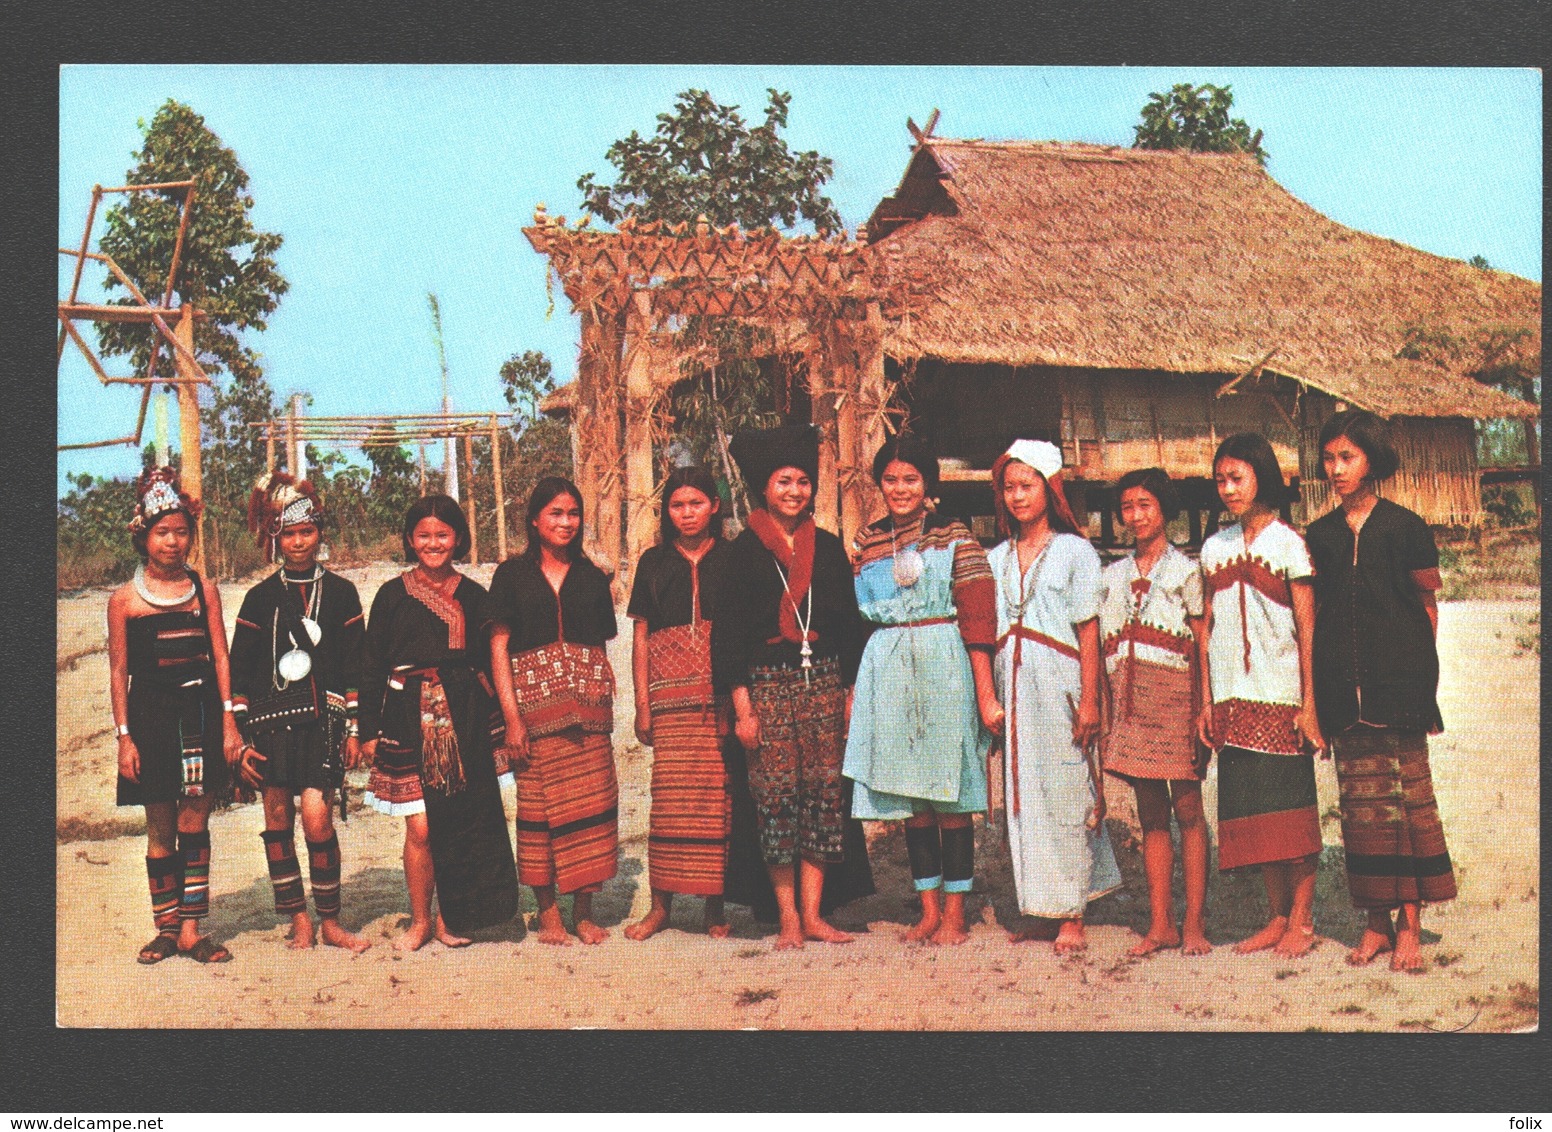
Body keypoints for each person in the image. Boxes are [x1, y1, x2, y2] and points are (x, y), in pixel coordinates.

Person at [711, 424, 872, 950]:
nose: (795, 491)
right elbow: (729, 637)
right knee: (775, 801)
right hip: (767, 691)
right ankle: (786, 919)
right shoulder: (740, 554)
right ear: (764, 486)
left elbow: (848, 627)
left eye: (804, 482)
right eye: (785, 482)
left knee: (822, 799)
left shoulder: (825, 548)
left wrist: (849, 696)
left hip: (823, 684)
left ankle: (815, 913)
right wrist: (743, 709)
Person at [1306, 410, 1456, 972]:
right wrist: (1317, 700)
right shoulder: (1318, 535)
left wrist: (1422, 687)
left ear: (1372, 459)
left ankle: (1410, 926)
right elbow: (1316, 617)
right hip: (1343, 690)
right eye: (1329, 458)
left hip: (1400, 689)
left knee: (1405, 805)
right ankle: (1374, 925)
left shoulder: (1406, 527)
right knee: (1359, 809)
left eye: (1348, 457)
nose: (1337, 469)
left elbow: (1427, 610)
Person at [844, 435, 1001, 945]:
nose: (900, 488)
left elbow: (978, 618)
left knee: (950, 799)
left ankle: (956, 913)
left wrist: (984, 693)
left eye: (910, 478)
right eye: (890, 479)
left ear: (927, 483)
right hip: (887, 668)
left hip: (943, 663)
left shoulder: (954, 535)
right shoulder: (867, 541)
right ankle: (928, 910)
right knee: (914, 802)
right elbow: (858, 621)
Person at [360, 494, 517, 950]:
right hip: (406, 717)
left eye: (443, 535)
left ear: (459, 539)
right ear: (411, 539)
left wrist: (502, 722)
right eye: (424, 535)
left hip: (465, 717)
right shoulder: (391, 595)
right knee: (421, 827)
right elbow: (371, 664)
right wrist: (367, 729)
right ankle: (420, 920)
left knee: (458, 820)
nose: (434, 544)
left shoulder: (473, 595)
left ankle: (452, 916)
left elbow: (493, 657)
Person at [987, 440, 1122, 952]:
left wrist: (1090, 700)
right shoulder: (996, 557)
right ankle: (1040, 904)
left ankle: (1072, 910)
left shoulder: (1075, 550)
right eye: (1009, 487)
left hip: (1061, 681)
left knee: (1068, 790)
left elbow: (1088, 631)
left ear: (1050, 489)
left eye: (1028, 486)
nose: (1018, 497)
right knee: (1024, 796)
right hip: (1015, 686)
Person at [229, 473, 370, 953]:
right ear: (275, 538)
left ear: (319, 532)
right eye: (288, 534)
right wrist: (243, 739)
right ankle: (298, 918)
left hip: (324, 723)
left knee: (316, 819)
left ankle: (330, 920)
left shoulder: (344, 593)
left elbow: (356, 665)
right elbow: (240, 672)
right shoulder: (258, 598)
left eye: (306, 531)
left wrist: (355, 729)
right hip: (269, 727)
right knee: (276, 818)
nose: (298, 541)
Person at [1197, 433, 1325, 958]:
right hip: (1233, 699)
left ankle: (1304, 919)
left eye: (1238, 477)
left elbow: (1308, 628)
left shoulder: (1289, 543)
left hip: (1282, 698)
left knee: (1293, 810)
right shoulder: (1213, 547)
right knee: (1255, 814)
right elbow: (1204, 630)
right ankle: (1275, 917)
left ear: (1261, 477)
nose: (1228, 489)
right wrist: (1207, 701)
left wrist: (1310, 704)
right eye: (1221, 480)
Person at [107, 466, 242, 963]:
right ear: (144, 536)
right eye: (163, 532)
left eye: (181, 532)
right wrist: (125, 737)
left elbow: (221, 657)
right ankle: (164, 928)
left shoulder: (203, 589)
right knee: (160, 825)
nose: (173, 542)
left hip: (200, 715)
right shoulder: (124, 600)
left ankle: (191, 929)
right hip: (150, 719)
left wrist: (229, 720)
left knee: (194, 821)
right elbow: (119, 671)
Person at [489, 477, 619, 945]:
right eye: (555, 514)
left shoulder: (590, 577)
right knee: (539, 813)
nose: (566, 523)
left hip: (590, 715)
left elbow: (600, 645)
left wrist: (596, 699)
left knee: (594, 807)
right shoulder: (511, 576)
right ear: (534, 520)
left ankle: (583, 911)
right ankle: (548, 914)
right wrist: (512, 718)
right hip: (532, 714)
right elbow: (499, 647)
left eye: (573, 514)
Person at [1098, 468, 1211, 956]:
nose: (1136, 515)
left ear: (1165, 509)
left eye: (1145, 504)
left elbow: (1203, 645)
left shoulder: (1187, 572)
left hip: (1179, 703)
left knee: (1189, 811)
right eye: (1128, 507)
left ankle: (1194, 924)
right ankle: (1160, 922)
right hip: (1132, 705)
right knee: (1151, 817)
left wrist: (1204, 706)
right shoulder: (1112, 577)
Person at [622, 467, 736, 941]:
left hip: (719, 697)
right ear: (667, 512)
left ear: (714, 505)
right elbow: (641, 635)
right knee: (669, 802)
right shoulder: (652, 563)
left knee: (717, 800)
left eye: (696, 503)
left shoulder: (733, 559)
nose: (687, 514)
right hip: (668, 703)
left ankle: (714, 907)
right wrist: (643, 705)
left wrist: (737, 700)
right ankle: (660, 906)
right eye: (677, 505)